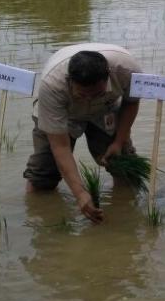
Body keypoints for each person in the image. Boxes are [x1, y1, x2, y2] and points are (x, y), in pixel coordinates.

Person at [23, 44, 142, 223]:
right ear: (70, 81)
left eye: (96, 93)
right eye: (83, 94)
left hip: (105, 109)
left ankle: (125, 216)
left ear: (108, 76)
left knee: (124, 168)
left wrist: (119, 141)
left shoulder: (127, 71)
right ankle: (42, 220)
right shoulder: (52, 85)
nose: (89, 98)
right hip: (65, 113)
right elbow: (60, 147)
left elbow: (131, 102)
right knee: (43, 174)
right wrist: (80, 193)